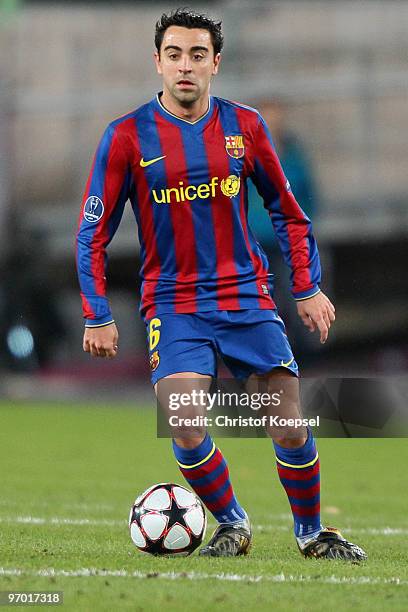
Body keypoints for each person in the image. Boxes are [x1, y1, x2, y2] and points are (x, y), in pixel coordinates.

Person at [76, 8, 366, 561]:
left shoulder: (246, 127)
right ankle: (232, 523)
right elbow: (91, 233)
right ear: (158, 62)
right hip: (173, 301)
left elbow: (289, 211)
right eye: (175, 55)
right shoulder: (125, 137)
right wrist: (97, 311)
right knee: (183, 419)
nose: (186, 66)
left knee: (286, 423)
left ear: (216, 63)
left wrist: (306, 286)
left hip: (246, 297)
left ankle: (311, 533)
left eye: (198, 55)